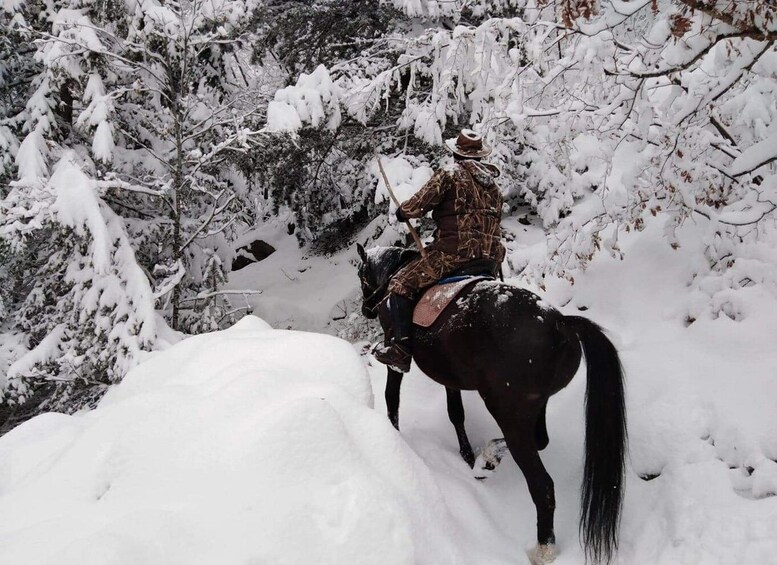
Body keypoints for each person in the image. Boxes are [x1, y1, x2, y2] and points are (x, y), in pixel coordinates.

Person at [373, 129, 506, 373]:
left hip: (454, 255)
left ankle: (401, 351)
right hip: (490, 259)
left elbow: (418, 205)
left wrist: (404, 212)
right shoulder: (494, 187)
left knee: (400, 284)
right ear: (480, 157)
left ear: (456, 154)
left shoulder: (450, 174)